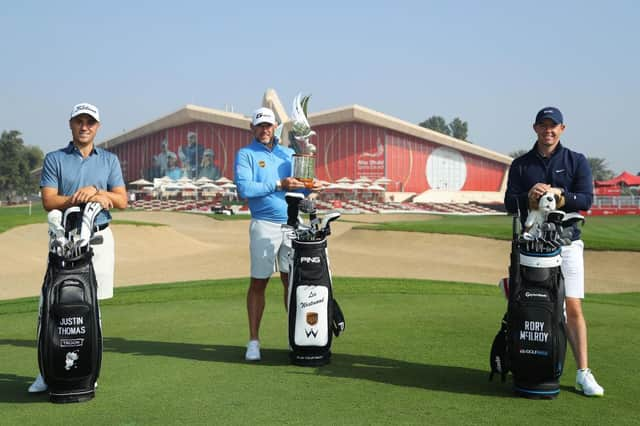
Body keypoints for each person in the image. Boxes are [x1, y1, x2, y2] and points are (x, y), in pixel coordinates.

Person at [504, 106, 604, 397]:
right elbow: (510, 202)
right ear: (535, 128)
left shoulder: (576, 160)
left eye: (554, 126)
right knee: (525, 305)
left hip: (567, 243)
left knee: (572, 306)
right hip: (531, 246)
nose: (548, 130)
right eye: (543, 125)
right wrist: (528, 196)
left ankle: (583, 373)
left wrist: (561, 196)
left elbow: (586, 199)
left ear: (562, 129)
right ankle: (525, 366)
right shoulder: (521, 165)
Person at [28, 102, 127, 393]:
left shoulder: (109, 160)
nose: (85, 127)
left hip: (99, 237)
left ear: (97, 127)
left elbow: (121, 200)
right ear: (71, 124)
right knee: (49, 303)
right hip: (64, 238)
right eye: (79, 121)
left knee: (91, 307)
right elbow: (49, 200)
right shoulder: (55, 159)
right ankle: (45, 372)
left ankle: (88, 368)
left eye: (90, 122)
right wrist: (79, 198)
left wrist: (98, 192)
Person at [234, 107, 321, 361]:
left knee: (291, 282)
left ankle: (296, 338)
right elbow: (245, 188)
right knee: (259, 281)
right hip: (263, 224)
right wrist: (278, 184)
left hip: (293, 225)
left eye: (268, 126)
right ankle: (253, 341)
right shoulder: (246, 154)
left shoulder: (289, 154)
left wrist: (311, 184)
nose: (264, 130)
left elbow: (302, 190)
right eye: (260, 126)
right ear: (253, 128)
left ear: (275, 128)